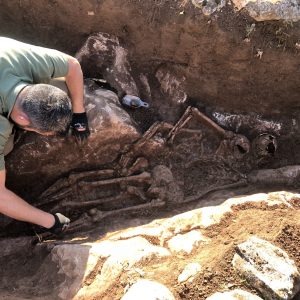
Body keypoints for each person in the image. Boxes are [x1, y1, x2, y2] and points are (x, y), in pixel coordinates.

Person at [0, 37, 90, 234]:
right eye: (39, 131)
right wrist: (51, 221)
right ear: (23, 119)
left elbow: (72, 65)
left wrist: (79, 111)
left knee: (65, 85)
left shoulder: (25, 61)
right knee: (5, 146)